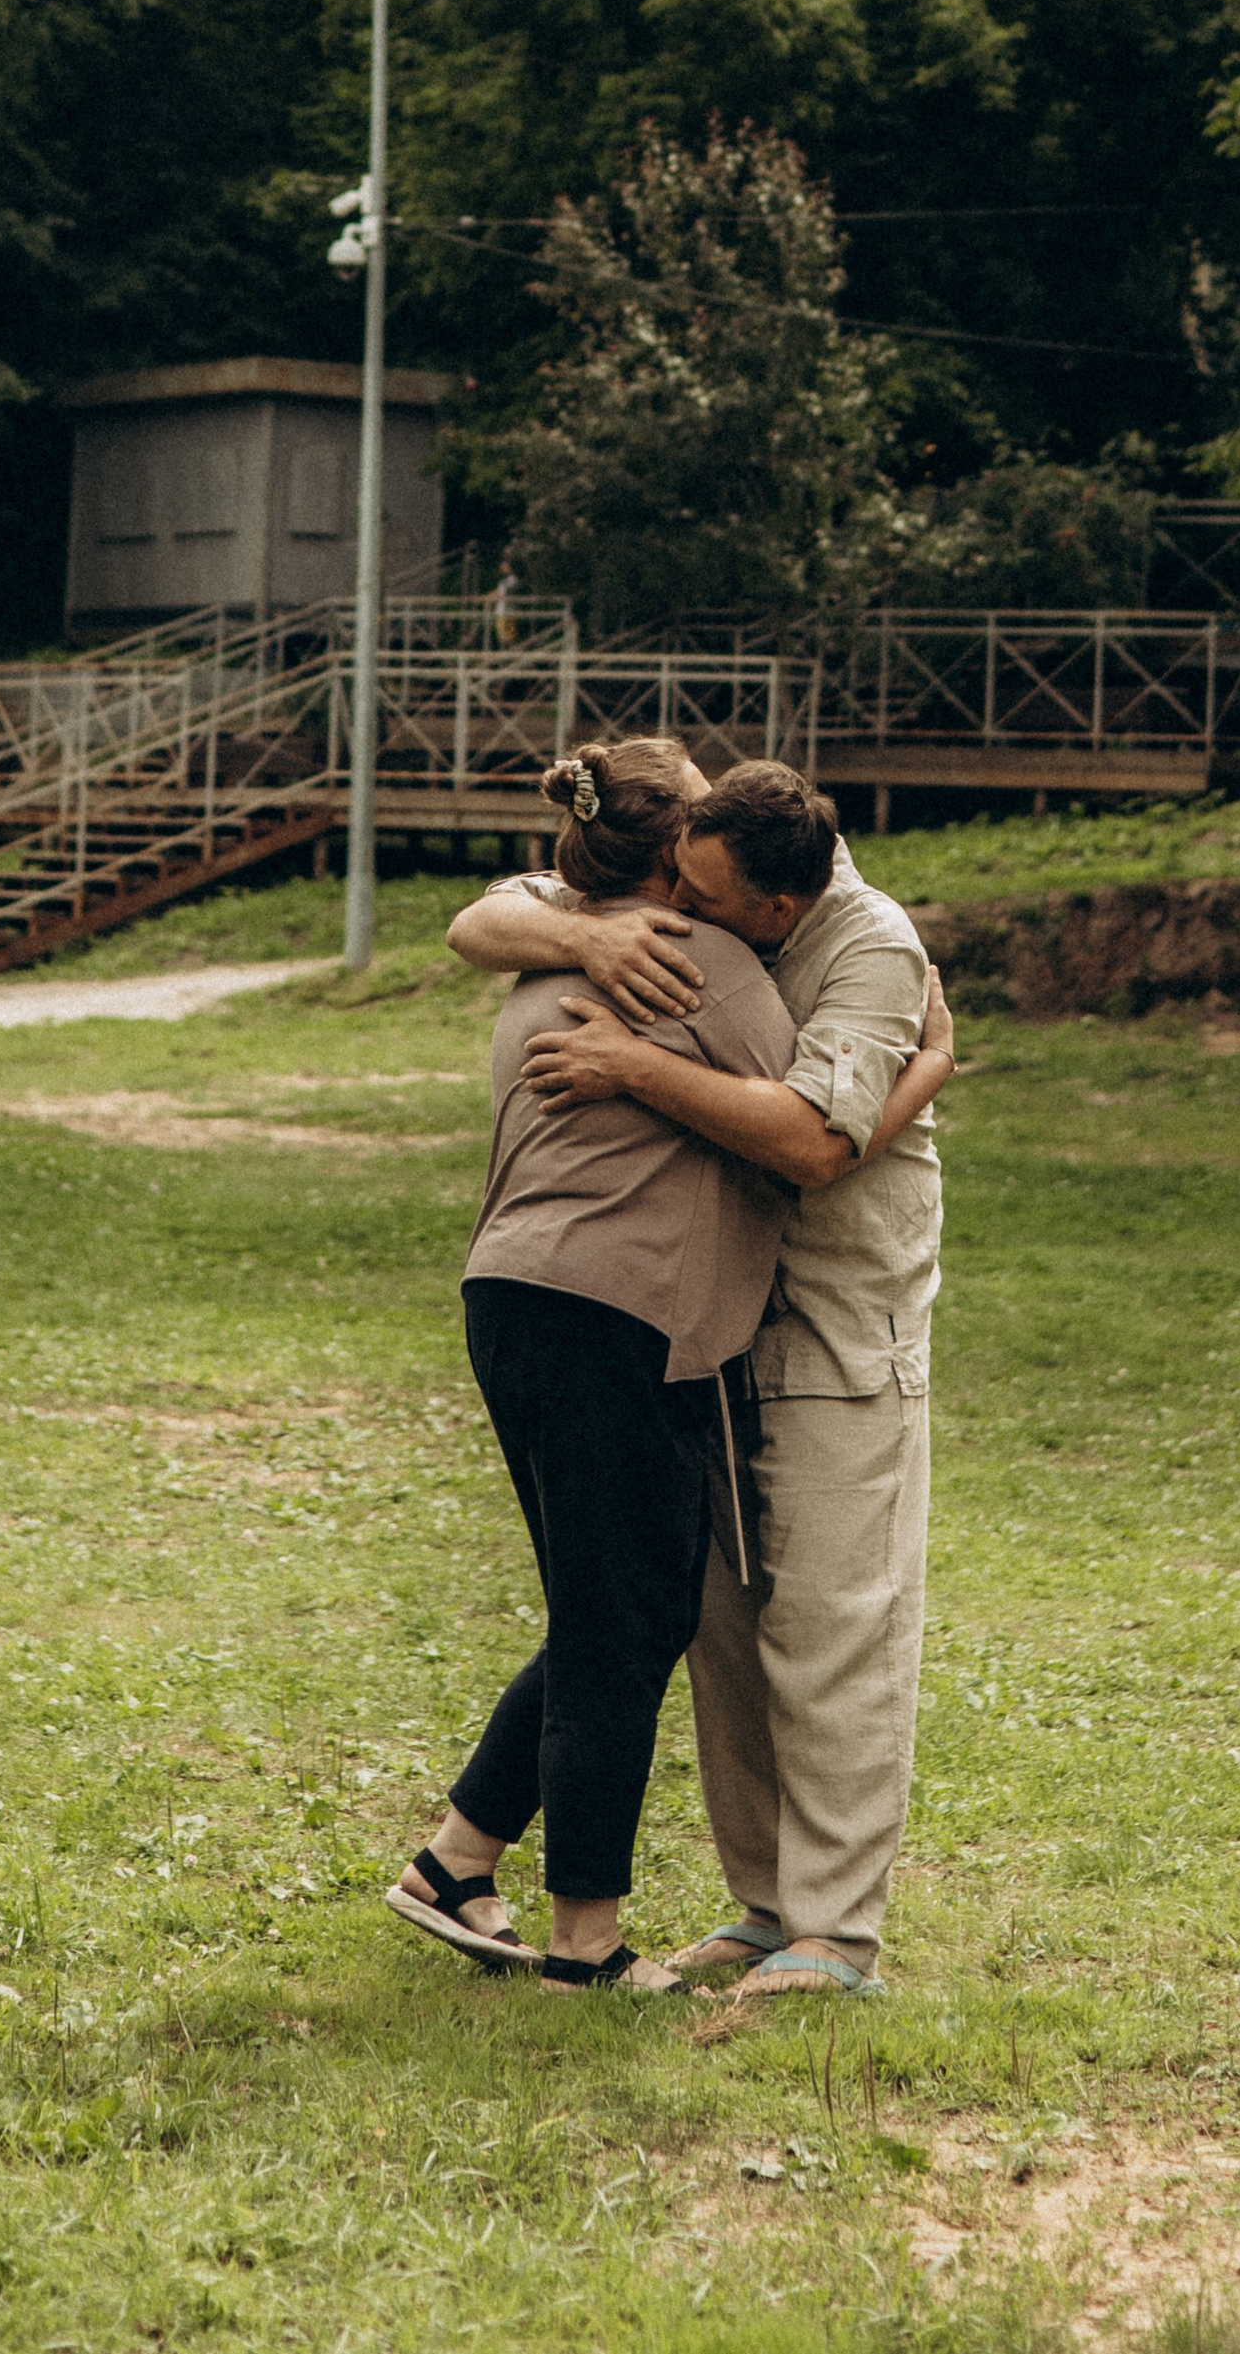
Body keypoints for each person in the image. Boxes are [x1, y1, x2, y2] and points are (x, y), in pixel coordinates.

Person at [392, 739, 951, 1994]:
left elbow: (812, 1140)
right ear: (664, 857)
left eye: (709, 900)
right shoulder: (665, 941)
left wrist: (910, 1070)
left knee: (771, 1622)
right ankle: (597, 1921)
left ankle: (819, 1929)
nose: (687, 913)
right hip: (648, 1320)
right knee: (649, 1620)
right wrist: (928, 1061)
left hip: (782, 1322)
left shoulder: (835, 934)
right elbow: (477, 917)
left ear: (771, 897)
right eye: (675, 888)